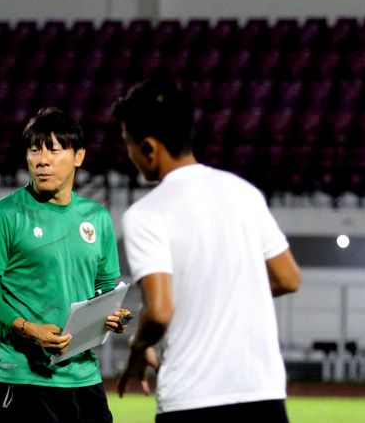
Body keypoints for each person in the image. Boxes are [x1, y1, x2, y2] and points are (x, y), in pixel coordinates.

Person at [113, 80, 301, 422]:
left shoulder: (145, 214)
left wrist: (138, 349)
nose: (130, 155)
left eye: (128, 145)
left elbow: (159, 311)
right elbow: (288, 278)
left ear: (149, 148)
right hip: (263, 394)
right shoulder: (243, 192)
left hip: (193, 399)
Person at [0, 107, 129, 423]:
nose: (41, 160)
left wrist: (117, 316)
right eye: (34, 150)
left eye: (53, 150)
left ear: (78, 156)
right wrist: (29, 329)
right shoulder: (3, 215)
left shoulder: (97, 217)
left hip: (84, 378)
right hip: (23, 379)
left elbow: (106, 290)